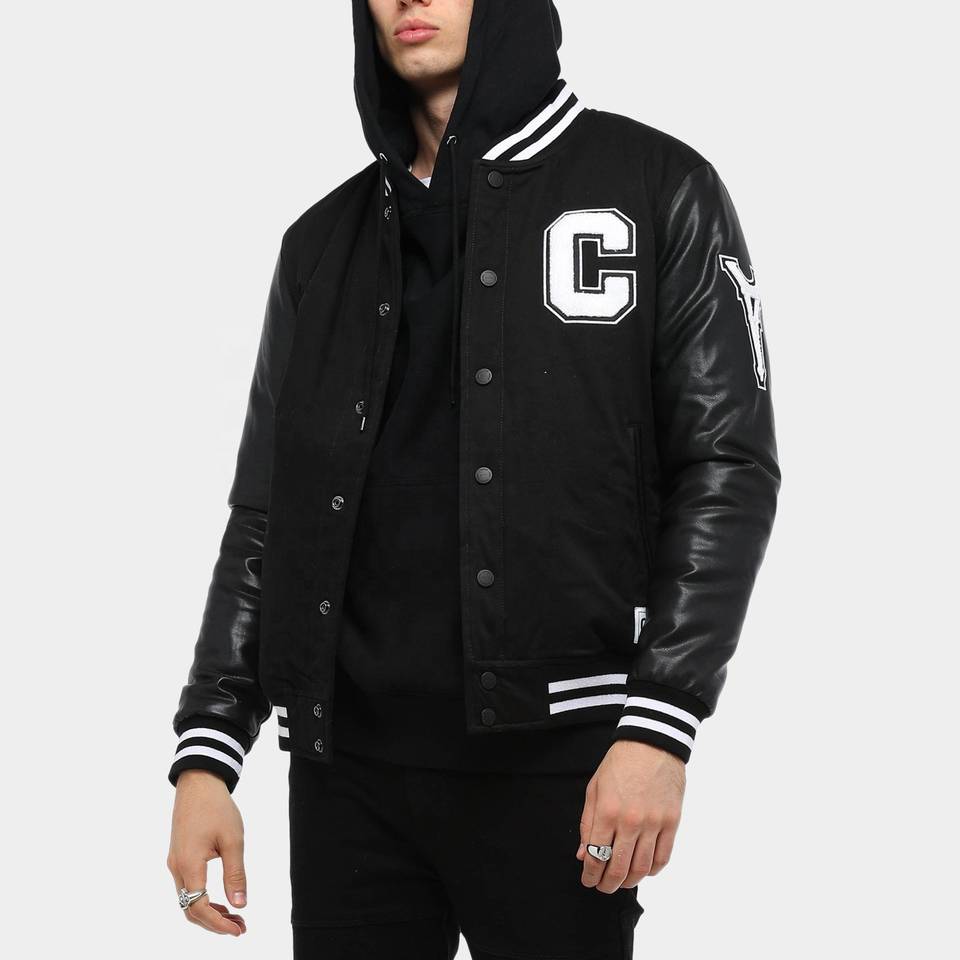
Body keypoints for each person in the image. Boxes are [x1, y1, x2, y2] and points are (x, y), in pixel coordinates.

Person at [166, 1, 780, 957]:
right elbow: (266, 512)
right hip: (345, 773)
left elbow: (726, 466)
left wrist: (661, 724)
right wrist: (209, 749)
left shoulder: (656, 185)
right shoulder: (319, 243)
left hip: (561, 758)